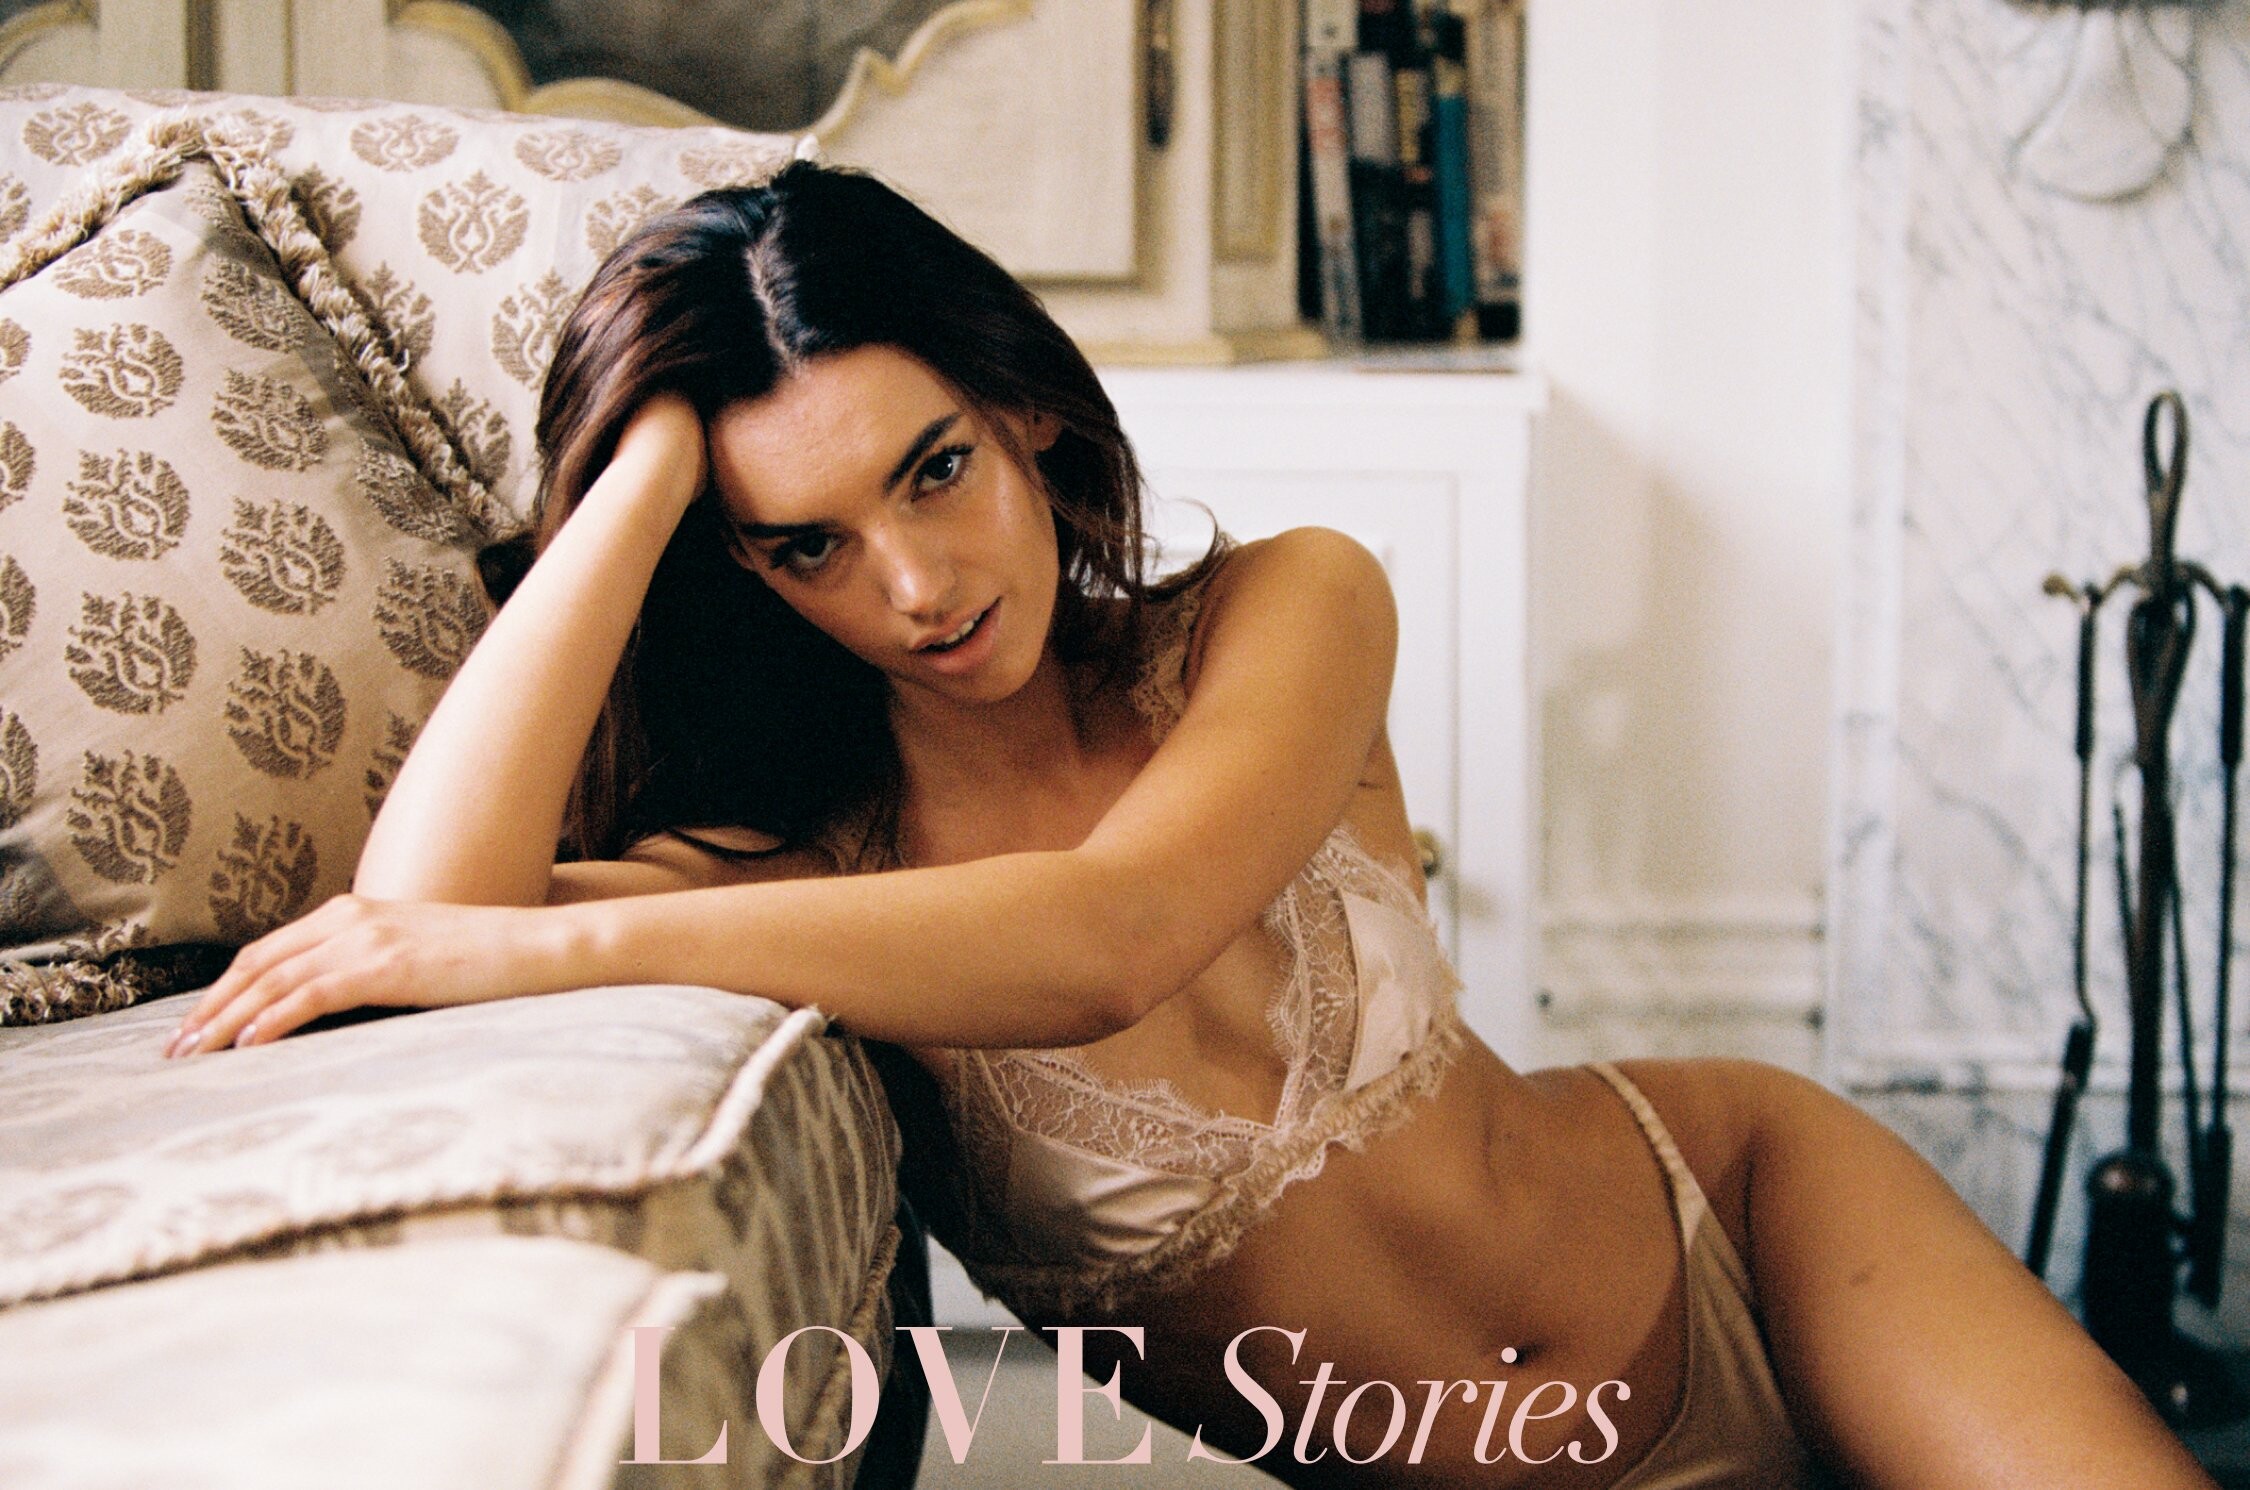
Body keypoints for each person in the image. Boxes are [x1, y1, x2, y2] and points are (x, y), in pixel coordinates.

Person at [160, 161, 2215, 1489]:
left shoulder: (1281, 609)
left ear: (1026, 411)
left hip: (1741, 1223)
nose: (915, 584)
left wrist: (560, 937)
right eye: (807, 544)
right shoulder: (806, 878)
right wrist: (640, 488)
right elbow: (418, 919)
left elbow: (1116, 929)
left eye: (935, 468)